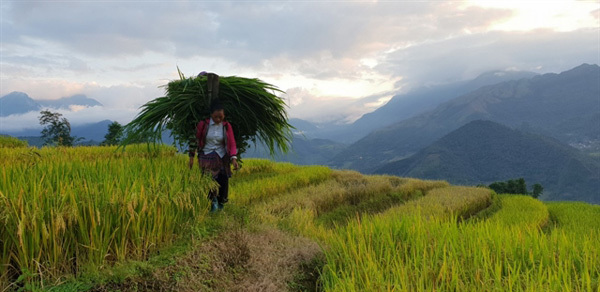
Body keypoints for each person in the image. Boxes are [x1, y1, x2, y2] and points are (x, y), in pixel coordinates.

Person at [189, 100, 239, 212]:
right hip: (206, 156)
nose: (218, 119)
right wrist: (191, 156)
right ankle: (212, 202)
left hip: (222, 156)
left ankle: (221, 202)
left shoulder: (226, 126)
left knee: (223, 181)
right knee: (209, 180)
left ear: (224, 116)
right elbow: (195, 139)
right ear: (211, 115)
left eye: (221, 117)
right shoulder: (204, 125)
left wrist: (234, 158)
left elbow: (232, 142)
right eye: (216, 116)